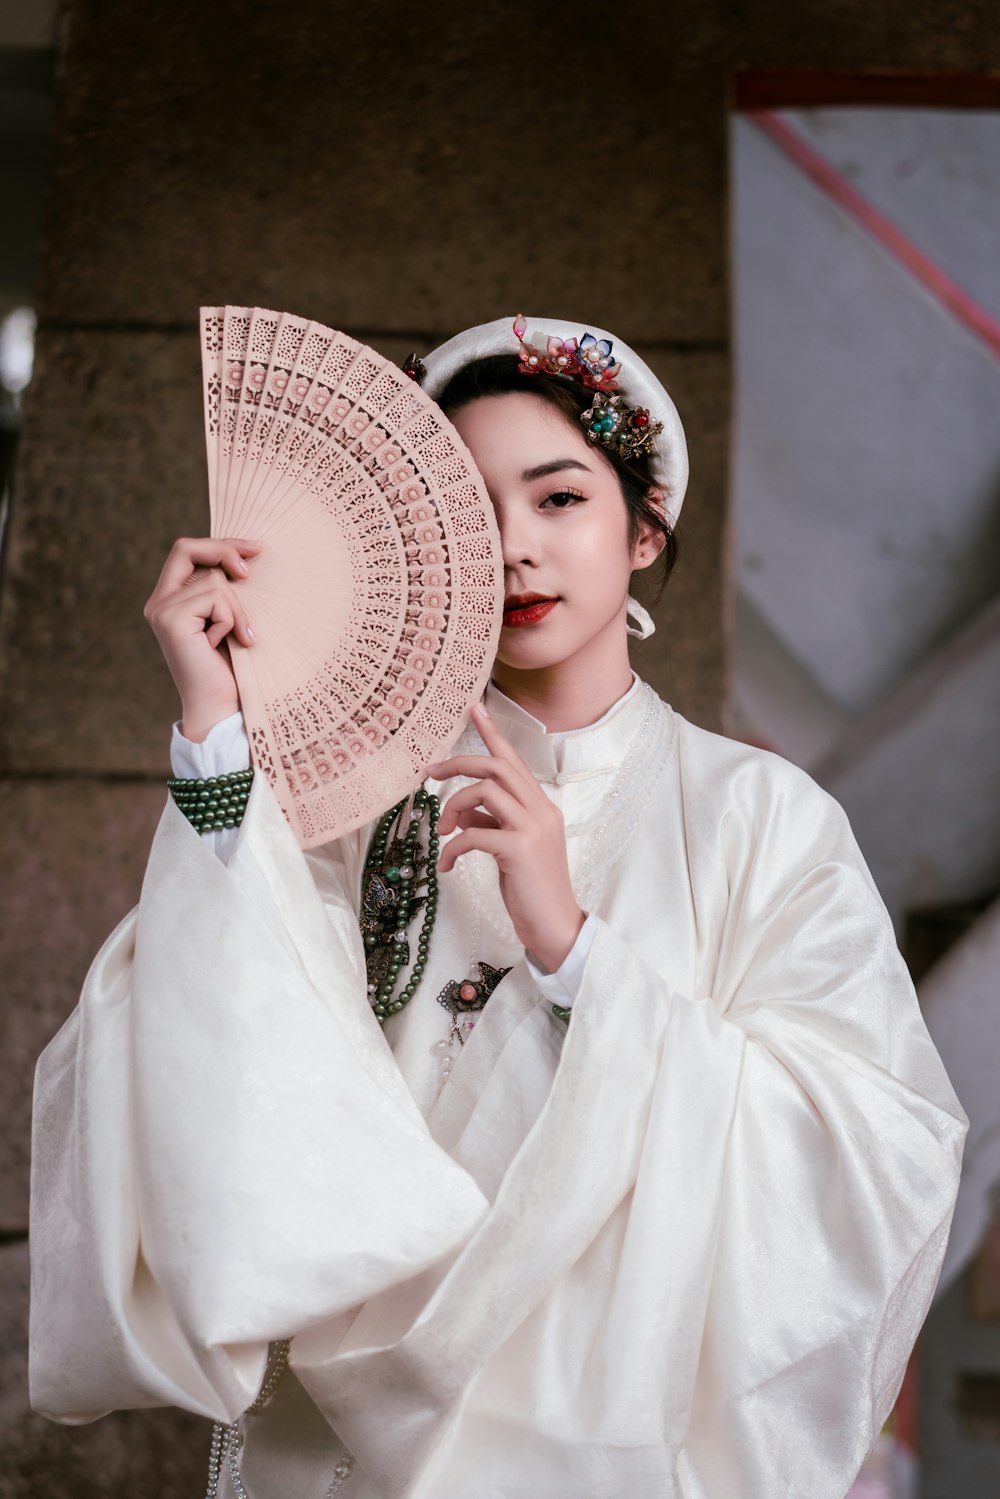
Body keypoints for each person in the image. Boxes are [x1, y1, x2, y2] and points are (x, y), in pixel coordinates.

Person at [30, 315, 966, 1499]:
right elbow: (204, 1049)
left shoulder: (760, 817)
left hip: (598, 1439)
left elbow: (877, 1151)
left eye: (560, 498)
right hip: (329, 1451)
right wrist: (219, 739)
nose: (515, 547)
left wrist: (576, 952)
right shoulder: (352, 803)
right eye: (471, 511)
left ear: (643, 530)